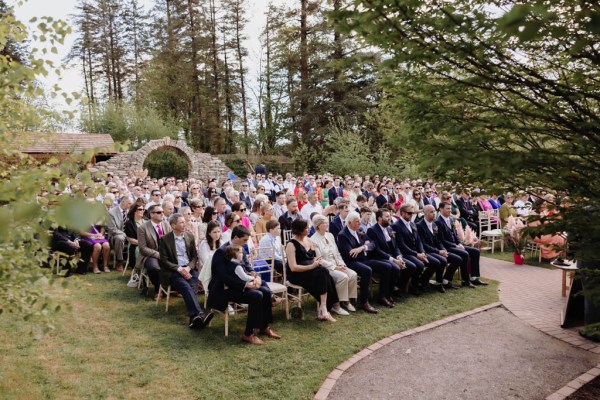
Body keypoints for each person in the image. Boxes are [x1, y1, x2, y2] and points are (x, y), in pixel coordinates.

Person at [208, 226, 281, 345]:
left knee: (266, 292)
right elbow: (224, 277)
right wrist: (246, 285)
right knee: (257, 295)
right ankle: (248, 334)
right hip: (224, 289)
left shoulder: (240, 248)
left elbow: (248, 266)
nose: (246, 243)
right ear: (236, 237)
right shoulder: (221, 252)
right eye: (245, 240)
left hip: (240, 284)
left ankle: (264, 326)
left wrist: (256, 276)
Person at [159, 213, 214, 329]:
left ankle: (194, 318)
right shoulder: (165, 239)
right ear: (174, 225)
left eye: (184, 221)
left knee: (192, 284)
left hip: (189, 269)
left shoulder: (190, 237)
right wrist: (180, 269)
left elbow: (194, 256)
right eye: (182, 222)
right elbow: (164, 260)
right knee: (185, 286)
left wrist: (188, 268)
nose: (185, 224)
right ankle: (200, 314)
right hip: (173, 270)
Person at [285, 219, 339, 322]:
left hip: (311, 271)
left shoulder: (309, 240)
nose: (309, 229)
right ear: (300, 230)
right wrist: (312, 266)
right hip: (296, 275)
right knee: (323, 273)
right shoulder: (291, 245)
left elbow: (313, 258)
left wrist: (317, 262)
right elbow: (293, 267)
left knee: (325, 273)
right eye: (306, 228)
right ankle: (324, 308)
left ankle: (324, 308)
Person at [310, 215, 358, 315]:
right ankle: (336, 305)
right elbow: (319, 260)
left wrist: (342, 264)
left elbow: (337, 252)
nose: (327, 224)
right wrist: (335, 267)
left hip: (337, 263)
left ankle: (347, 301)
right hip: (326, 267)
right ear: (318, 225)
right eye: (324, 223)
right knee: (343, 277)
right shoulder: (313, 239)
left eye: (327, 222)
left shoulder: (330, 235)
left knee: (353, 274)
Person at [392, 205, 445, 293]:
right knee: (419, 265)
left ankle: (422, 281)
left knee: (436, 262)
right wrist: (417, 254)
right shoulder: (397, 226)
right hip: (405, 253)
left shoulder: (413, 224)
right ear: (402, 213)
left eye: (412, 213)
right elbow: (401, 245)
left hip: (417, 252)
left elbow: (418, 240)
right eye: (409, 213)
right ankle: (408, 285)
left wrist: (422, 252)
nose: (411, 215)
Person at [435, 202, 488, 287]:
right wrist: (456, 245)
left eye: (450, 208)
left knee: (475, 251)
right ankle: (465, 280)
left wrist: (459, 243)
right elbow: (442, 240)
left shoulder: (451, 220)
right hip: (447, 247)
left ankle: (474, 278)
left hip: (456, 245)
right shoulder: (438, 222)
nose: (450, 210)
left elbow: (455, 235)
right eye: (447, 208)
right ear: (441, 209)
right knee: (464, 253)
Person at [417, 205, 463, 290]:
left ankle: (445, 281)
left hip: (437, 250)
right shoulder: (419, 225)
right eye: (431, 212)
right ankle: (425, 281)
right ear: (425, 213)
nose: (434, 213)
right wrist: (438, 252)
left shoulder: (434, 224)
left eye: (434, 211)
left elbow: (438, 241)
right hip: (427, 251)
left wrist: (443, 249)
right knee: (441, 261)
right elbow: (423, 244)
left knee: (457, 259)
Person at [137, 204, 172, 296]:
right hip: (150, 255)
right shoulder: (142, 228)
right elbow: (143, 248)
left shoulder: (166, 225)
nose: (162, 214)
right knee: (154, 267)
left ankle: (174, 288)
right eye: (159, 212)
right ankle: (159, 290)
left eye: (162, 212)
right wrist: (158, 255)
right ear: (151, 214)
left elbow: (172, 242)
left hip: (166, 254)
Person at [107, 195, 134, 271]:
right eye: (129, 203)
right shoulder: (111, 212)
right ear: (122, 202)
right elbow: (112, 229)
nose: (131, 205)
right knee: (120, 238)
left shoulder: (130, 211)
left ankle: (134, 262)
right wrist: (125, 235)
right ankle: (120, 262)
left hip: (129, 234)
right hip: (115, 235)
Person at [124, 202, 145, 271]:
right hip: (135, 245)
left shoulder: (147, 222)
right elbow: (131, 240)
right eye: (140, 209)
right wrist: (143, 244)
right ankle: (140, 273)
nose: (142, 211)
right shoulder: (129, 223)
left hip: (148, 244)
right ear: (134, 211)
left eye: (143, 209)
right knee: (140, 251)